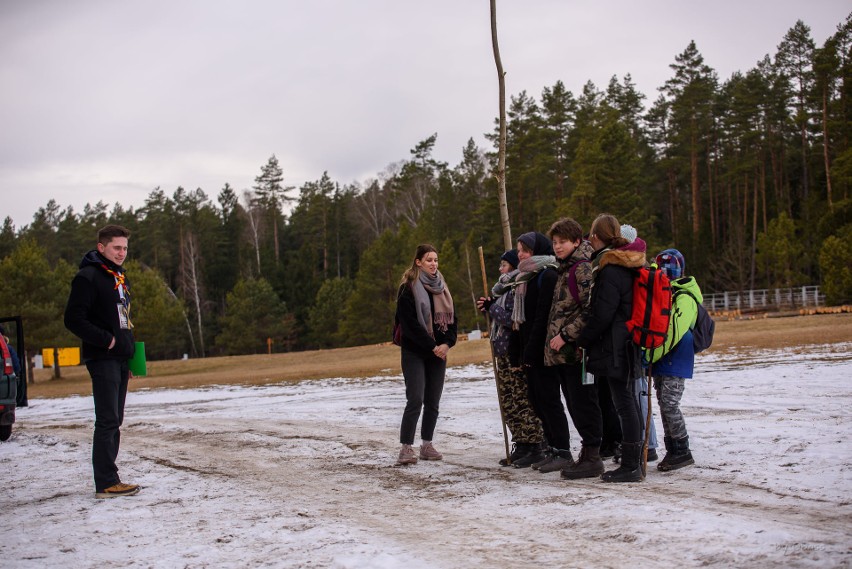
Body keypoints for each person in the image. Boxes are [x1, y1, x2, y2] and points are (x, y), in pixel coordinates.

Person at [64, 224, 140, 497]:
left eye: (125, 249)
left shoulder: (119, 279)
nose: (122, 253)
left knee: (115, 418)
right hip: (102, 357)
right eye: (117, 248)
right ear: (101, 247)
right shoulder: (88, 277)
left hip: (120, 358)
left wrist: (130, 355)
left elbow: (125, 321)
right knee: (107, 419)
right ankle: (106, 482)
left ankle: (110, 477)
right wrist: (107, 341)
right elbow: (73, 319)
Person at [576, 214, 646, 483]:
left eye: (591, 236)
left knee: (624, 404)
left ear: (596, 237)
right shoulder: (626, 266)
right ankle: (634, 461)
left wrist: (584, 339)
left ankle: (631, 465)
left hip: (616, 345)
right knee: (628, 403)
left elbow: (603, 313)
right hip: (627, 342)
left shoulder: (610, 269)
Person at [538, 218, 607, 479]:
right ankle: (587, 453)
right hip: (562, 353)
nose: (557, 247)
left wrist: (566, 336)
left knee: (583, 402)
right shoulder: (564, 268)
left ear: (577, 241)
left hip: (576, 351)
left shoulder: (581, 268)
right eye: (554, 242)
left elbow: (589, 310)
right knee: (574, 402)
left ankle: (593, 455)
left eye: (562, 242)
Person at [477, 250, 546, 466]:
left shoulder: (518, 288)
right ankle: (521, 442)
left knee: (521, 398)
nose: (500, 269)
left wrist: (492, 309)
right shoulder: (501, 291)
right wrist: (489, 308)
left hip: (514, 351)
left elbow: (512, 319)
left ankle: (534, 443)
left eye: (504, 264)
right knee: (508, 399)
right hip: (502, 352)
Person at [394, 244, 457, 465]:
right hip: (415, 351)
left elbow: (452, 322)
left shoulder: (442, 287)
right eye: (429, 260)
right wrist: (432, 345)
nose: (433, 264)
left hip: (438, 353)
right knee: (416, 399)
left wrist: (447, 344)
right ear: (418, 262)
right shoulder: (408, 288)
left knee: (433, 401)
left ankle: (427, 445)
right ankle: (405, 447)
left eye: (436, 260)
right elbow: (409, 325)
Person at [507, 231, 562, 469]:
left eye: (525, 250)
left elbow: (541, 317)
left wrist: (531, 349)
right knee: (535, 399)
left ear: (538, 250)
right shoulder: (524, 278)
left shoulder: (547, 274)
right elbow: (520, 321)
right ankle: (550, 445)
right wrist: (518, 350)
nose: (520, 254)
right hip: (529, 348)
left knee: (549, 399)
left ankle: (561, 449)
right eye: (519, 250)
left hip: (543, 349)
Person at [645, 248, 698, 471]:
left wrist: (648, 355)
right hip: (663, 358)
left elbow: (673, 332)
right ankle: (673, 448)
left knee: (669, 403)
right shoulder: (665, 293)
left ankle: (682, 448)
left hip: (675, 358)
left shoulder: (684, 297)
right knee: (664, 402)